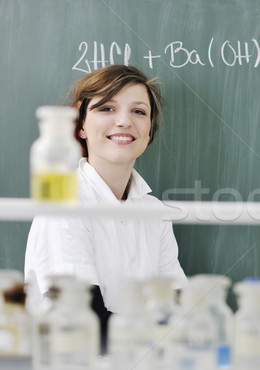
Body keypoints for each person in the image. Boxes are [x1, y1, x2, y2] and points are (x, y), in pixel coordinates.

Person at [24, 65, 187, 344]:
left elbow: (180, 307)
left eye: (139, 111)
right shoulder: (65, 201)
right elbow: (82, 317)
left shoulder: (153, 211)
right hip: (72, 369)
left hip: (141, 369)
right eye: (106, 109)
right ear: (81, 127)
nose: (124, 121)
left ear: (149, 132)